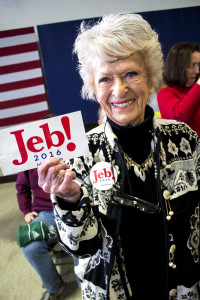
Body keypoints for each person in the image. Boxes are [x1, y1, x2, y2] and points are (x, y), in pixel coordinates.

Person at [37, 14, 200, 300]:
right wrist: (68, 200)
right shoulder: (80, 152)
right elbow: (80, 247)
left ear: (150, 78)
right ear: (93, 88)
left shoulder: (184, 138)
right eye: (105, 79)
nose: (119, 90)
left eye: (130, 74)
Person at [16, 114, 66, 300]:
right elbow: (21, 187)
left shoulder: (73, 152)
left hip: (75, 207)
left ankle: (86, 285)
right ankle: (54, 286)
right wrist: (26, 211)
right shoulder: (31, 159)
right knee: (30, 247)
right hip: (46, 213)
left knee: (81, 242)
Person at [157, 42, 200, 136]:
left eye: (198, 65)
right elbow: (180, 117)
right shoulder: (165, 94)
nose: (197, 71)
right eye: (192, 65)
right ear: (177, 67)